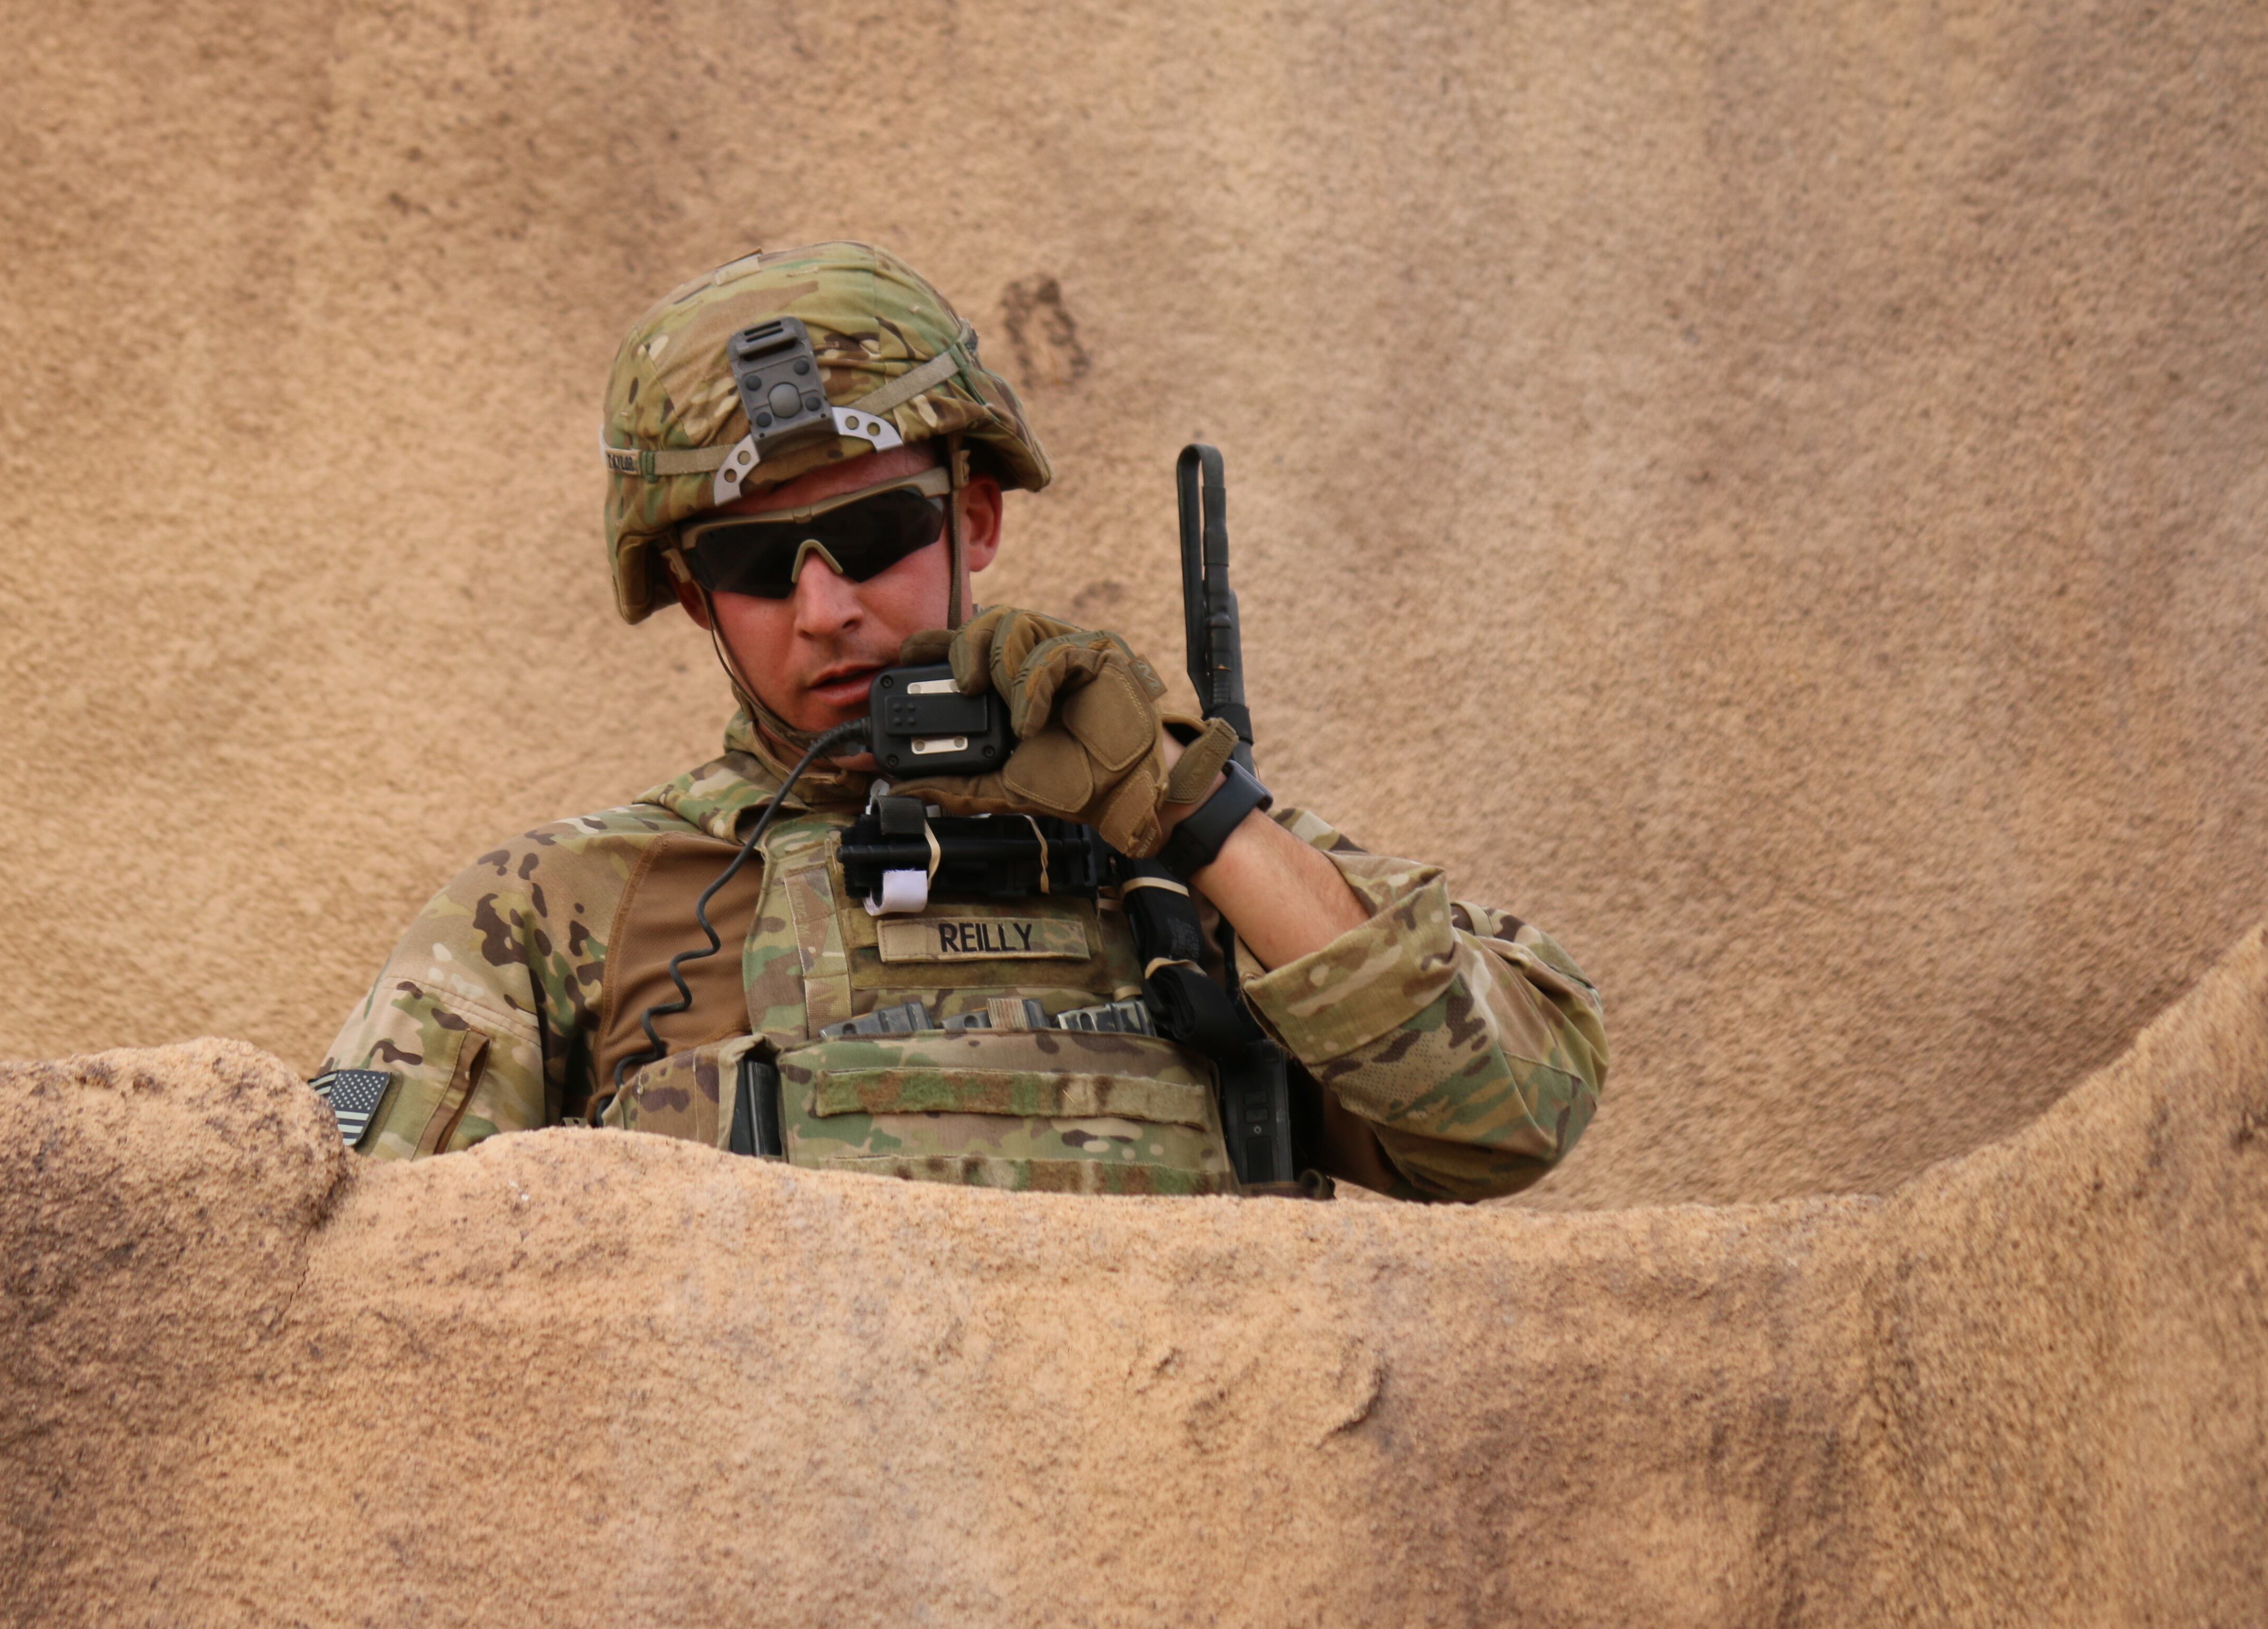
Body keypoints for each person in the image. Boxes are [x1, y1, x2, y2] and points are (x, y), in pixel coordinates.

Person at [313, 241, 1605, 1200]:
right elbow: (348, 1248)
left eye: (874, 534)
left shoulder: (1191, 854)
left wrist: (1182, 804)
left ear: (970, 516)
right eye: (762, 567)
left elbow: (1505, 1116)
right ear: (698, 596)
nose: (825, 608)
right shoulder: (560, 909)